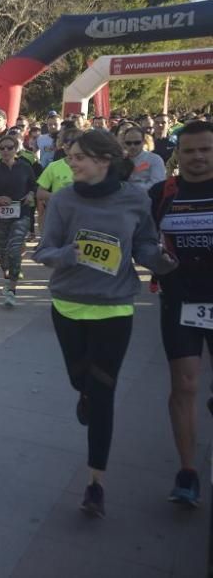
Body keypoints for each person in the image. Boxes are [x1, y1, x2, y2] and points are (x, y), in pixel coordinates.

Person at [34, 130, 176, 517]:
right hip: (68, 306)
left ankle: (95, 483)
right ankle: (83, 391)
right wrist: (70, 253)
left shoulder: (134, 199)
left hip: (115, 309)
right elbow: (45, 252)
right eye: (70, 156)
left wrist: (161, 260)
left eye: (78, 157)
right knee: (81, 381)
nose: (71, 163)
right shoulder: (63, 199)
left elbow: (144, 244)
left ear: (104, 160)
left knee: (103, 395)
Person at [149, 119, 213, 507]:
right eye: (189, 151)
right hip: (181, 301)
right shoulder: (164, 193)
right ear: (178, 154)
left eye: (205, 149)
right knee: (184, 386)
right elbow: (137, 234)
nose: (198, 157)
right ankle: (187, 472)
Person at [0, 135, 37, 307]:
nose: (6, 151)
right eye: (2, 148)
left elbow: (34, 186)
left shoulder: (25, 167)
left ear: (16, 150)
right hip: (0, 216)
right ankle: (8, 276)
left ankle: (12, 289)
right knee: (2, 255)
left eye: (9, 147)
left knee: (14, 249)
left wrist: (30, 194)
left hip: (21, 212)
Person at [120, 126, 166, 190]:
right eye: (128, 143)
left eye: (137, 143)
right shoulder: (120, 160)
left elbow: (158, 184)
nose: (132, 146)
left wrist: (132, 189)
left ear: (143, 142)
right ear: (124, 143)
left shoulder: (155, 159)